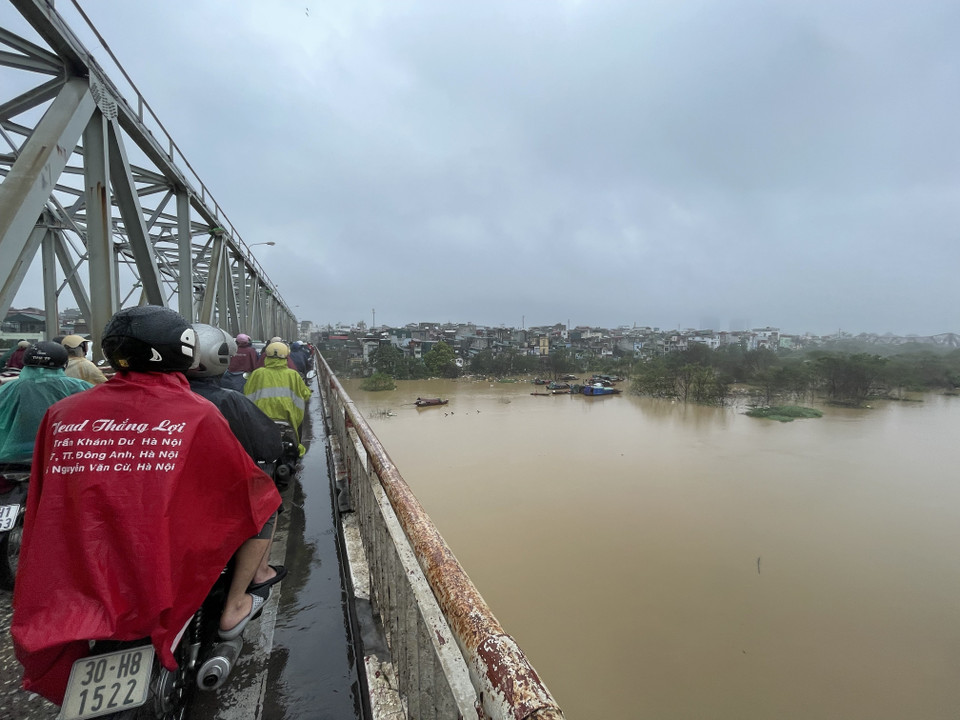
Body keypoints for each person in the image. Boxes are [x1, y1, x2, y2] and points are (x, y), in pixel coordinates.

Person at [12, 306, 282, 705]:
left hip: (86, 548)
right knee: (264, 501)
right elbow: (239, 482)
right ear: (184, 350)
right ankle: (235, 603)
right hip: (158, 547)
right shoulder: (197, 413)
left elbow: (45, 496)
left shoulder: (64, 412)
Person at [187, 324, 287, 589]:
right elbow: (270, 447)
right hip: (221, 485)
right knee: (267, 506)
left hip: (174, 490)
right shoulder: (229, 400)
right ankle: (255, 578)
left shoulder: (160, 397)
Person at [0, 342, 91, 464]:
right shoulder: (81, 387)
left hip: (10, 460)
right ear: (64, 364)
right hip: (65, 459)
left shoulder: (6, 390)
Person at [244, 341, 312, 452]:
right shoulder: (293, 375)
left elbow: (247, 392)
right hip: (288, 419)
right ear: (286, 357)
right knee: (295, 447)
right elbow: (305, 394)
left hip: (261, 419)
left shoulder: (257, 374)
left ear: (266, 356)